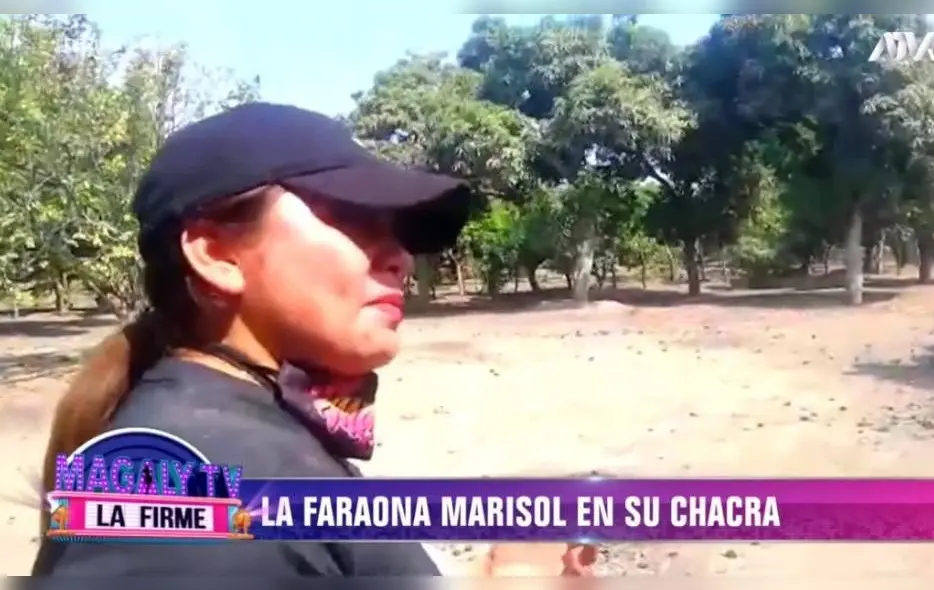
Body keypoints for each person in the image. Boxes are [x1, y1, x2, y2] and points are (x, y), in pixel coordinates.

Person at [31, 103, 595, 577]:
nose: (399, 256)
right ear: (217, 254)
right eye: (353, 217)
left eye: (397, 230)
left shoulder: (253, 427)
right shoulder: (185, 486)